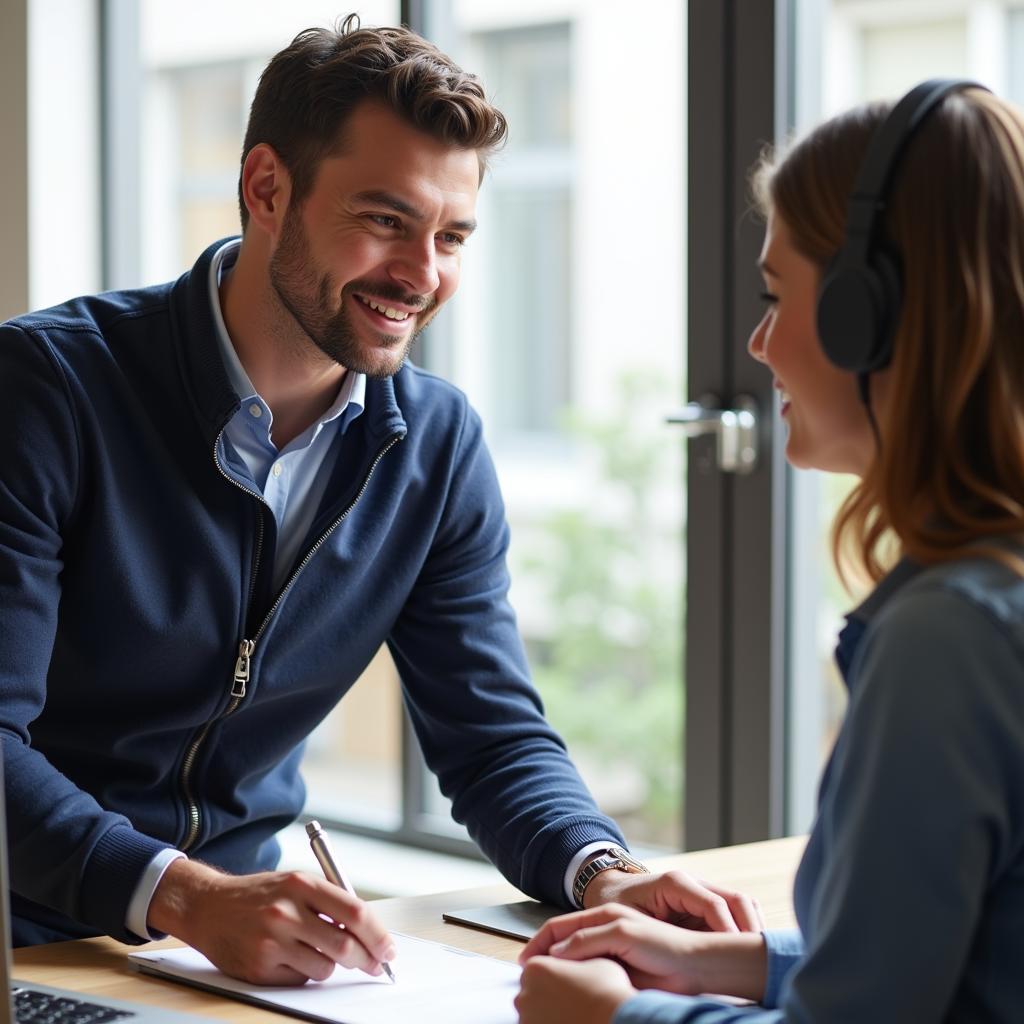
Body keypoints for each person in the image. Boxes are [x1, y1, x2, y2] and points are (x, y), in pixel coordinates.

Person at [0, 16, 761, 986]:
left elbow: (490, 734)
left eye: (450, 235)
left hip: (226, 960)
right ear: (266, 189)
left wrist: (602, 873)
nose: (423, 274)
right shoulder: (44, 391)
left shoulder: (436, 446)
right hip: (28, 937)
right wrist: (184, 894)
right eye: (385, 220)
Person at [516, 79, 1024, 1023]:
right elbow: (946, 966)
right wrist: (726, 961)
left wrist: (609, 1017)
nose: (756, 342)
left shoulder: (949, 641)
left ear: (870, 315)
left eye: (775, 294)